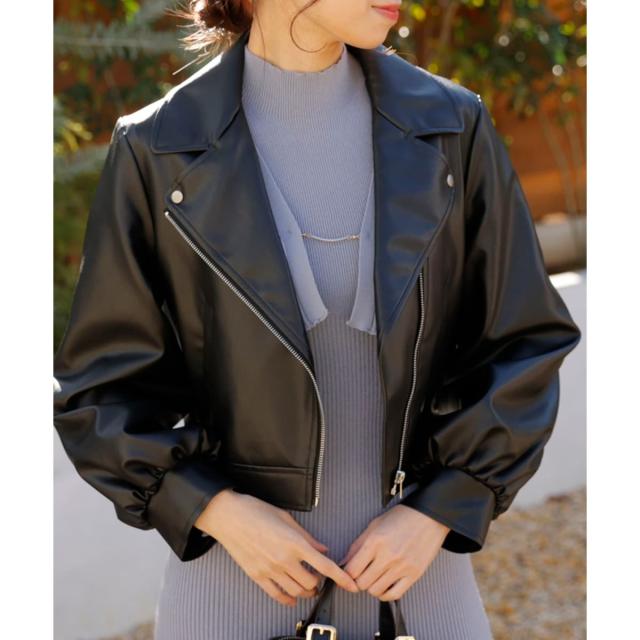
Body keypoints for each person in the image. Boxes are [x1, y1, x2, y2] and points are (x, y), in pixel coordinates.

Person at [53, 1, 582, 638]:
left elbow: (524, 340)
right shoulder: (157, 148)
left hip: (419, 584)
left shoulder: (450, 126)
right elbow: (100, 389)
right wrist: (216, 509)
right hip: (234, 593)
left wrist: (440, 508)